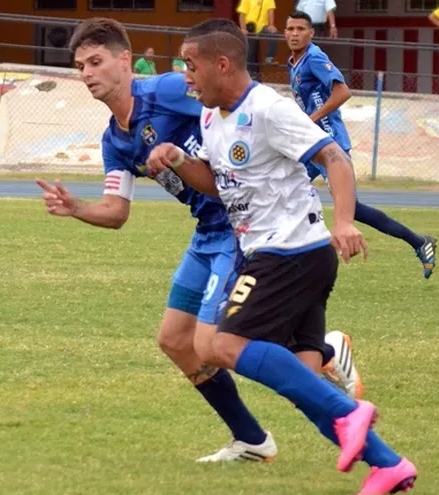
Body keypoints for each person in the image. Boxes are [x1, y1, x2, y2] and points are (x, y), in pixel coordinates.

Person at [34, 17, 362, 463]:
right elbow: (116, 212)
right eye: (80, 67)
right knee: (174, 340)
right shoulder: (114, 140)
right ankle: (252, 438)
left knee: (214, 344)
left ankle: (321, 355)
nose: (88, 73)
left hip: (239, 227)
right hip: (205, 233)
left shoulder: (168, 90)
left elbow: (230, 105)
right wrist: (76, 209)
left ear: (126, 61)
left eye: (96, 61)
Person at [145, 19, 417, 494]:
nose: (185, 76)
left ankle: (351, 410)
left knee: (222, 346)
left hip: (289, 254)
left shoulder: (269, 109)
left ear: (222, 64)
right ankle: (389, 465)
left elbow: (335, 157)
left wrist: (345, 221)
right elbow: (219, 183)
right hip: (287, 256)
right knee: (304, 383)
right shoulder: (211, 117)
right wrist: (179, 163)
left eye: (190, 65)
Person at [284, 11, 438, 279]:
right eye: (290, 29)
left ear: (311, 33)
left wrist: (311, 119)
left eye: (300, 29)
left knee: (351, 208)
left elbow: (343, 91)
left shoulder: (315, 58)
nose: (294, 33)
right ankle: (289, 255)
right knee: (284, 186)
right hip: (311, 144)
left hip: (329, 143)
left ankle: (419, 241)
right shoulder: (294, 62)